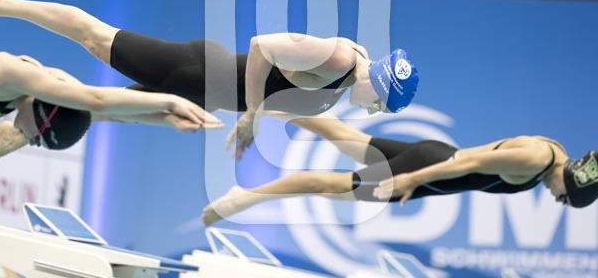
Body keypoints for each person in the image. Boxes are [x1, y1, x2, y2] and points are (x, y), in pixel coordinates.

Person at [0, 0, 419, 159]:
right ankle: (8, 3)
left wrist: (253, 120)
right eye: (379, 105)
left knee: (100, 112)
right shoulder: (339, 60)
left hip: (204, 94)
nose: (371, 111)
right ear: (378, 83)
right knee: (97, 38)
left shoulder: (346, 79)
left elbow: (284, 95)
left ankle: (10, 132)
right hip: (196, 71)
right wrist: (251, 113)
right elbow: (262, 46)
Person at [201, 112, 598, 226]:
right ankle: (245, 197)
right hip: (431, 168)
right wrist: (411, 180)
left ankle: (269, 109)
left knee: (348, 138)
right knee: (333, 185)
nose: (557, 201)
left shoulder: (554, 150)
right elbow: (466, 163)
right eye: (566, 200)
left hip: (431, 156)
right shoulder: (535, 159)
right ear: (572, 180)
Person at [0, 51, 223, 158]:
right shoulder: (8, 73)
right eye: (38, 139)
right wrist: (171, 102)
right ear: (43, 116)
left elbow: (111, 113)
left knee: (17, 137)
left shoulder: (47, 83)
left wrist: (170, 121)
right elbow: (97, 101)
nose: (34, 143)